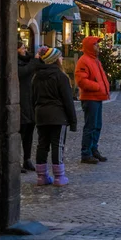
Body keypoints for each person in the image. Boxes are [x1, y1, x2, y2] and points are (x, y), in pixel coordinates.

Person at [32, 46, 77, 186]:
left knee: (42, 145)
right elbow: (68, 100)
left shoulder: (36, 76)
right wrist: (73, 121)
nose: (62, 58)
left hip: (41, 114)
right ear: (55, 60)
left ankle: (41, 176)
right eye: (60, 57)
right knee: (58, 145)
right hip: (57, 115)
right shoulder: (61, 76)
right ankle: (59, 176)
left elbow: (32, 97)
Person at [75, 36, 110, 164]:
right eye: (95, 44)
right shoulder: (84, 61)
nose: (98, 46)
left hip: (97, 97)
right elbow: (81, 81)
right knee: (90, 126)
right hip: (90, 98)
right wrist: (98, 87)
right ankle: (86, 153)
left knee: (97, 126)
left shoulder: (95, 60)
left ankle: (93, 149)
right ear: (90, 46)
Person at [17, 41, 37, 173]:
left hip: (30, 102)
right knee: (20, 132)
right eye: (23, 48)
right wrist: (34, 61)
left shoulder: (28, 60)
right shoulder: (15, 63)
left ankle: (27, 159)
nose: (25, 50)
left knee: (29, 132)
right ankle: (16, 161)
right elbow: (23, 72)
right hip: (21, 102)